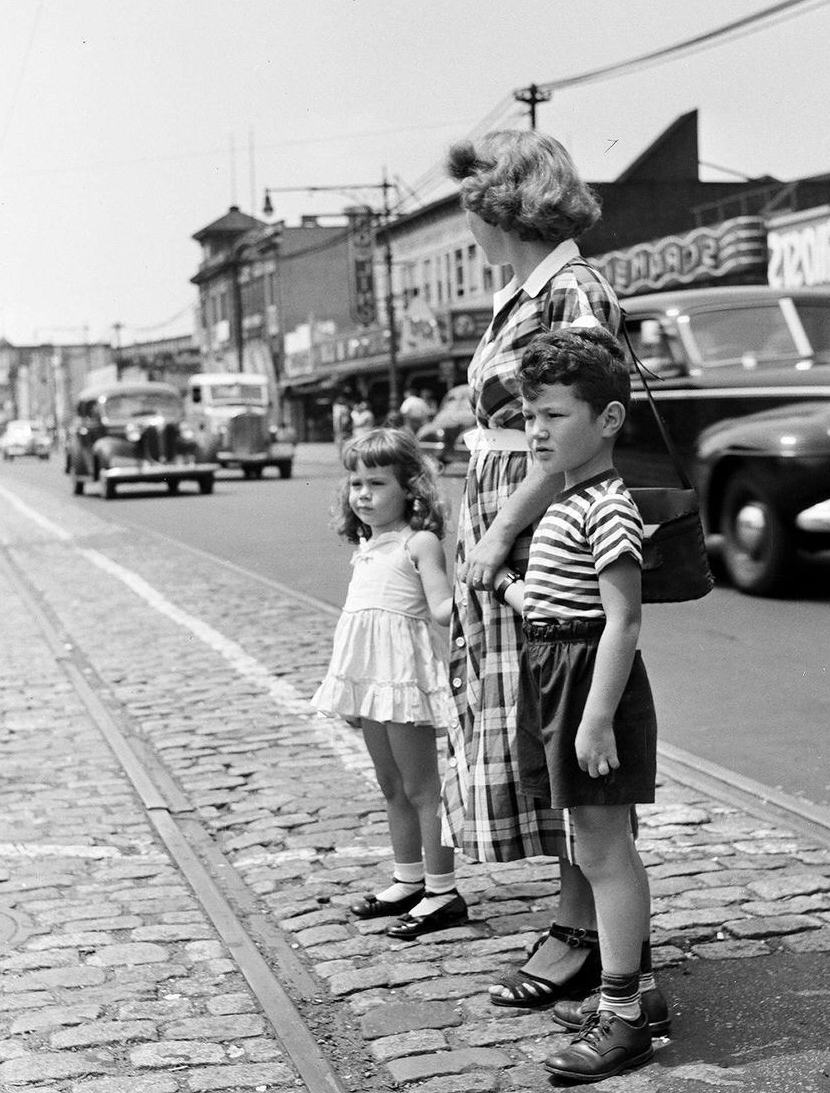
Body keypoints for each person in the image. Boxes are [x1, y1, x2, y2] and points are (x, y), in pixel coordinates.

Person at [441, 129, 625, 1006]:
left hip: (542, 526)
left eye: (473, 204)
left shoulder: (575, 290)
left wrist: (500, 531)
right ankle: (578, 912)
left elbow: (574, 432)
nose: (469, 224)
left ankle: (584, 925)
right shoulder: (527, 291)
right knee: (530, 722)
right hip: (508, 516)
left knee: (560, 719)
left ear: (501, 206)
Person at [492, 327, 661, 1080]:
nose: (536, 430)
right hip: (558, 675)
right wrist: (508, 586)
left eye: (555, 415)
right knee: (595, 843)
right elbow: (555, 600)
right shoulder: (566, 500)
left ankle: (623, 1018)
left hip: (591, 685)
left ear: (609, 420)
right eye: (530, 416)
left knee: (601, 848)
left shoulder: (608, 506)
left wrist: (595, 719)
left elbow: (621, 618)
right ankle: (639, 994)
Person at [310, 428, 464, 939]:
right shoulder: (368, 543)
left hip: (402, 678)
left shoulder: (418, 543)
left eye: (376, 482)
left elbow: (441, 607)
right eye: (356, 484)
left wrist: (481, 594)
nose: (363, 494)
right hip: (371, 678)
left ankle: (443, 891)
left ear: (411, 487)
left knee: (423, 788)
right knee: (391, 785)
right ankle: (408, 878)